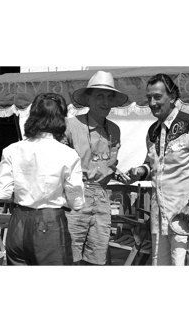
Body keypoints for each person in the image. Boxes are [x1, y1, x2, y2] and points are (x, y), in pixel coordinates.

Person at [122, 74, 189, 266]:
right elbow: (153, 166)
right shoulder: (152, 132)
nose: (152, 102)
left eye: (157, 97)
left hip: (184, 216)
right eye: (149, 97)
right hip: (159, 216)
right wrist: (141, 171)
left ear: (172, 97)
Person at [0, 93, 85, 266]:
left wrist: (24, 195)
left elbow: (2, 194)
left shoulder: (12, 150)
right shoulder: (67, 153)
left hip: (18, 222)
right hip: (49, 223)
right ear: (61, 119)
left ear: (33, 116)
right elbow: (76, 201)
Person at [61, 71, 129, 266]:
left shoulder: (114, 130)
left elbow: (108, 164)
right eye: (100, 95)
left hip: (102, 197)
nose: (105, 102)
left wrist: (117, 173)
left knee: (98, 255)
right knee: (70, 254)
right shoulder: (70, 126)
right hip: (75, 196)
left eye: (109, 97)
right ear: (88, 98)